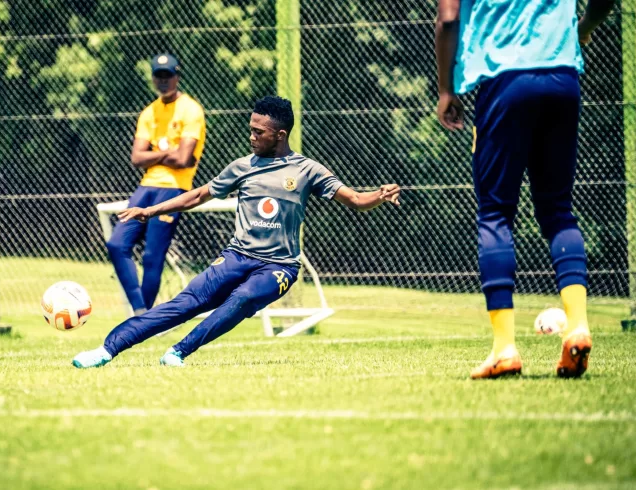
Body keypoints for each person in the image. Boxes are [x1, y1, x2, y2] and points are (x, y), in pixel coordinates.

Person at [73, 96, 401, 368]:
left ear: (280, 134)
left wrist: (379, 195)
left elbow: (355, 199)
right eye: (251, 130)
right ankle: (106, 350)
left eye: (259, 132)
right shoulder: (242, 167)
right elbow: (199, 195)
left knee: (242, 298)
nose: (252, 136)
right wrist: (148, 210)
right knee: (184, 303)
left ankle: (177, 352)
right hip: (236, 256)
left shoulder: (306, 170)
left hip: (279, 267)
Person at [434, 0, 615, 378]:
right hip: (563, 76)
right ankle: (578, 326)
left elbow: (449, 18)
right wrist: (582, 29)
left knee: (495, 213)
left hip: (504, 79)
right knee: (558, 210)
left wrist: (446, 90)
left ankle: (504, 349)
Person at [106, 53, 206, 316]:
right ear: (153, 78)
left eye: (168, 75)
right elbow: (136, 158)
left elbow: (184, 159)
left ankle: (144, 318)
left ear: (177, 76)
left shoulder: (191, 110)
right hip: (147, 185)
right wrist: (167, 153)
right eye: (158, 76)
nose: (163, 81)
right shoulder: (149, 113)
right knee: (117, 244)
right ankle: (141, 312)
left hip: (174, 188)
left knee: (152, 256)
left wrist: (157, 155)